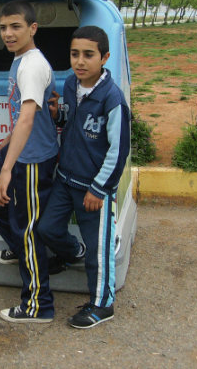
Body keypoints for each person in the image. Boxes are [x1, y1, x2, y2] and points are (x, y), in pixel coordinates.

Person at [38, 25, 130, 329]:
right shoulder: (69, 85)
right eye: (74, 54)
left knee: (99, 250)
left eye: (88, 55)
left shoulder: (111, 98)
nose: (80, 61)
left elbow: (118, 150)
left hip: (93, 189)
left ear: (103, 57)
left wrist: (100, 189)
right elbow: (72, 124)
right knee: (48, 228)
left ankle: (103, 305)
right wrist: (57, 116)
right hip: (66, 179)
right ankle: (71, 252)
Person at [0, 0, 59, 324]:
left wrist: (7, 169)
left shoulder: (31, 65)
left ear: (32, 29)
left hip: (33, 160)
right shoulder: (21, 60)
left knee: (28, 230)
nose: (8, 34)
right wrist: (9, 144)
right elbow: (25, 119)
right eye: (3, 28)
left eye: (16, 27)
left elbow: (26, 119)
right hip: (21, 148)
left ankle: (38, 306)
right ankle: (20, 248)